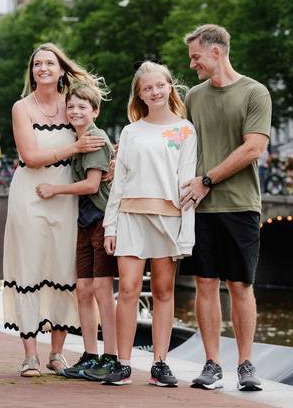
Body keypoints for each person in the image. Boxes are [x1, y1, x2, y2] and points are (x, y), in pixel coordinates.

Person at [2, 43, 106, 378]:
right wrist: (74, 146)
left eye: (50, 63)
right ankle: (30, 354)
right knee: (30, 267)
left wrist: (109, 164)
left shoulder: (72, 106)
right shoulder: (22, 108)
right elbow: (30, 157)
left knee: (64, 270)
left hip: (65, 196)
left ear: (61, 70)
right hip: (29, 195)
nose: (43, 68)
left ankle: (57, 352)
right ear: (32, 72)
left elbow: (94, 142)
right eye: (37, 64)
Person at [179, 24, 271, 392]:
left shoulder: (254, 92)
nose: (192, 64)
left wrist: (206, 180)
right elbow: (177, 143)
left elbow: (253, 148)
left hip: (240, 205)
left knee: (240, 285)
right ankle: (212, 364)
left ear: (217, 52)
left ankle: (246, 365)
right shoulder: (193, 98)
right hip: (199, 207)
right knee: (204, 283)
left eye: (196, 56)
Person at [100, 61, 197, 387]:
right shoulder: (130, 132)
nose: (155, 92)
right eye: (147, 88)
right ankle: (123, 363)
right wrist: (109, 227)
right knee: (127, 289)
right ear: (139, 95)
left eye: (160, 85)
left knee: (162, 290)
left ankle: (160, 363)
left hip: (168, 219)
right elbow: (120, 182)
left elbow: (186, 185)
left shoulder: (185, 130)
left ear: (170, 86)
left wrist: (187, 233)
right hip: (130, 217)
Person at [34, 83, 120, 380]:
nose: (75, 111)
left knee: (101, 290)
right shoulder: (78, 139)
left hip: (100, 220)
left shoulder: (95, 138)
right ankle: (90, 354)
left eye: (82, 107)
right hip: (84, 223)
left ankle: (111, 357)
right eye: (71, 107)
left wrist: (55, 189)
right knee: (82, 289)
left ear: (94, 111)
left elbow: (92, 186)